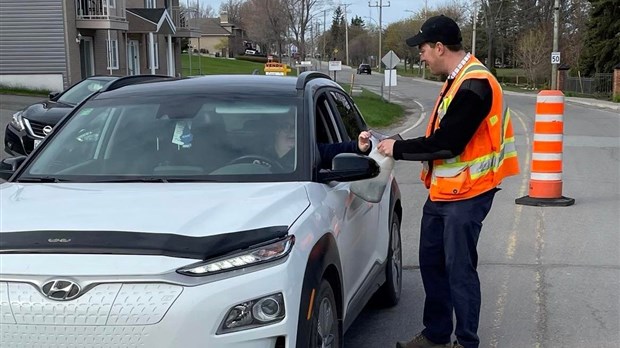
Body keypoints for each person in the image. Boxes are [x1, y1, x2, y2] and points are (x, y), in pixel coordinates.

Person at [376, 15, 520, 348]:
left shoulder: (475, 83)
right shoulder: (456, 80)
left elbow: (448, 143)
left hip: (469, 192)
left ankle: (465, 342)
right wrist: (399, 141)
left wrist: (398, 148)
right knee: (431, 263)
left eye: (423, 49)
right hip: (444, 192)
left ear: (440, 47)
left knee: (459, 270)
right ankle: (436, 334)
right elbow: (439, 135)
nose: (421, 56)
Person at [271, 118, 371, 171]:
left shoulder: (310, 153)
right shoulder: (259, 153)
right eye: (285, 126)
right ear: (276, 130)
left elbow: (338, 149)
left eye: (296, 127)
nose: (292, 131)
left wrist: (358, 146)